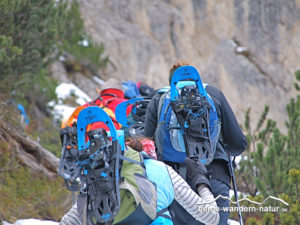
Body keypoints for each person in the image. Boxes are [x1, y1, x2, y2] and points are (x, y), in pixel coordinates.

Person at [144, 60, 247, 225]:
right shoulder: (213, 94)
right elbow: (238, 144)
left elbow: (147, 145)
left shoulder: (159, 97)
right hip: (215, 176)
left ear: (171, 81)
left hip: (176, 184)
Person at [59, 134, 220, 225]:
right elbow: (210, 216)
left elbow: (68, 222)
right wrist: (201, 180)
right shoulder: (163, 171)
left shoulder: (107, 176)